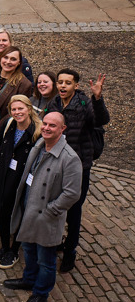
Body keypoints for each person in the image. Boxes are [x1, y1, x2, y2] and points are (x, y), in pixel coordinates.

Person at [4, 111, 83, 302]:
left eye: (52, 126)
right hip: (29, 212)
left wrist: (50, 211)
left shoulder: (70, 158)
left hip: (47, 218)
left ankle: (40, 293)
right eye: (45, 124)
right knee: (29, 251)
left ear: (62, 129)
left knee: (46, 260)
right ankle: (29, 280)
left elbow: (72, 193)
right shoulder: (38, 146)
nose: (47, 128)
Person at [49, 69, 108, 273]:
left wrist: (98, 98)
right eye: (60, 82)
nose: (63, 86)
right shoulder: (55, 103)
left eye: (68, 83)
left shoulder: (84, 104)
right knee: (56, 205)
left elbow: (101, 120)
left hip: (78, 167)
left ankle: (70, 251)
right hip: (57, 164)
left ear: (76, 85)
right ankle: (56, 240)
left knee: (74, 210)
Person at [0, 95, 41, 270]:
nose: (17, 112)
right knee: (3, 211)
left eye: (20, 109)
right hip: (4, 175)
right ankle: (4, 247)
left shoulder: (37, 131)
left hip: (22, 180)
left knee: (20, 214)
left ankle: (14, 249)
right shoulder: (9, 124)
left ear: (29, 109)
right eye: (14, 109)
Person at [0, 46, 34, 117]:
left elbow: (17, 112)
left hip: (1, 124)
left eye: (13, 59)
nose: (8, 62)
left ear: (19, 62)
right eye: (5, 57)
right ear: (0, 58)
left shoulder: (24, 84)